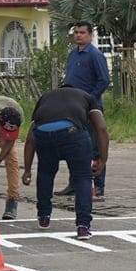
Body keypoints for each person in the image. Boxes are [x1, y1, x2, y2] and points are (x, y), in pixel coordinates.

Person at [20, 84, 109, 239]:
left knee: (46, 173)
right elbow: (101, 128)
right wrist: (103, 158)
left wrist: (27, 169)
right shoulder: (86, 97)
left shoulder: (46, 97)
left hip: (43, 133)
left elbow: (30, 139)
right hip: (72, 133)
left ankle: (44, 216)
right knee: (82, 177)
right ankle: (83, 226)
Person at [62, 21, 110, 200]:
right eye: (76, 32)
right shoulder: (73, 55)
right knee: (73, 146)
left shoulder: (95, 55)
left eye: (82, 32)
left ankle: (98, 187)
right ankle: (74, 183)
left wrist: (89, 99)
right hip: (72, 108)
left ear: (90, 35)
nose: (78, 35)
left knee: (95, 147)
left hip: (90, 108)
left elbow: (103, 80)